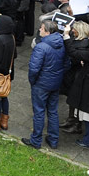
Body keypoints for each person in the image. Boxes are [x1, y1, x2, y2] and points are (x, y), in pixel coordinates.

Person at [22, 20, 69, 149]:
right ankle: (53, 140)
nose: (39, 30)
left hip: (41, 84)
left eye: (41, 29)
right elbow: (66, 64)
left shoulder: (41, 47)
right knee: (53, 111)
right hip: (55, 82)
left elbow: (34, 69)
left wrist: (33, 81)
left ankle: (36, 140)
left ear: (47, 32)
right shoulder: (62, 43)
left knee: (39, 111)